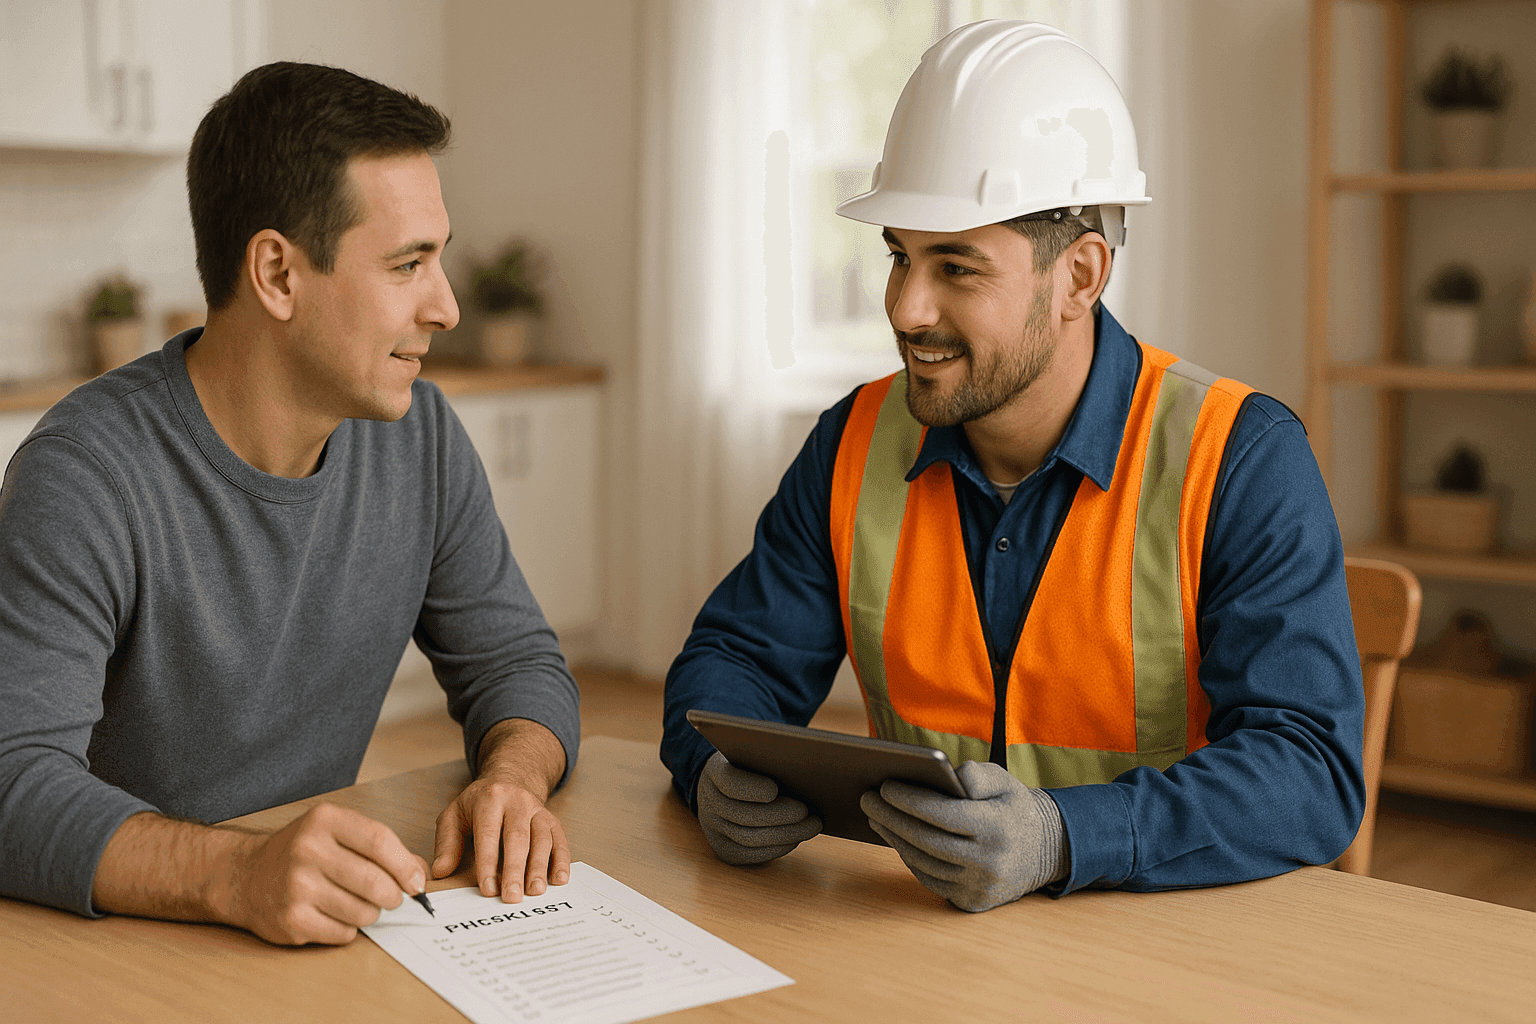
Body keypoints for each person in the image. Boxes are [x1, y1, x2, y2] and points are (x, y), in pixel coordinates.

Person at [661, 21, 1364, 912]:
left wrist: (1067, 835)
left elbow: (1308, 770)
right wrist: (719, 768)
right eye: (901, 257)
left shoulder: (1239, 458)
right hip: (924, 942)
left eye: (956, 267)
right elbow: (733, 660)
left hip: (1175, 943)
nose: (908, 308)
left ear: (1079, 277)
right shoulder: (854, 442)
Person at [0, 63, 580, 944]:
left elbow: (517, 663)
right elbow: (12, 784)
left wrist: (513, 777)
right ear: (276, 272)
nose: (448, 306)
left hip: (301, 931)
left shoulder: (418, 435)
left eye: (441, 257)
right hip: (117, 941)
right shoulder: (85, 476)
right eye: (407, 264)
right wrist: (235, 870)